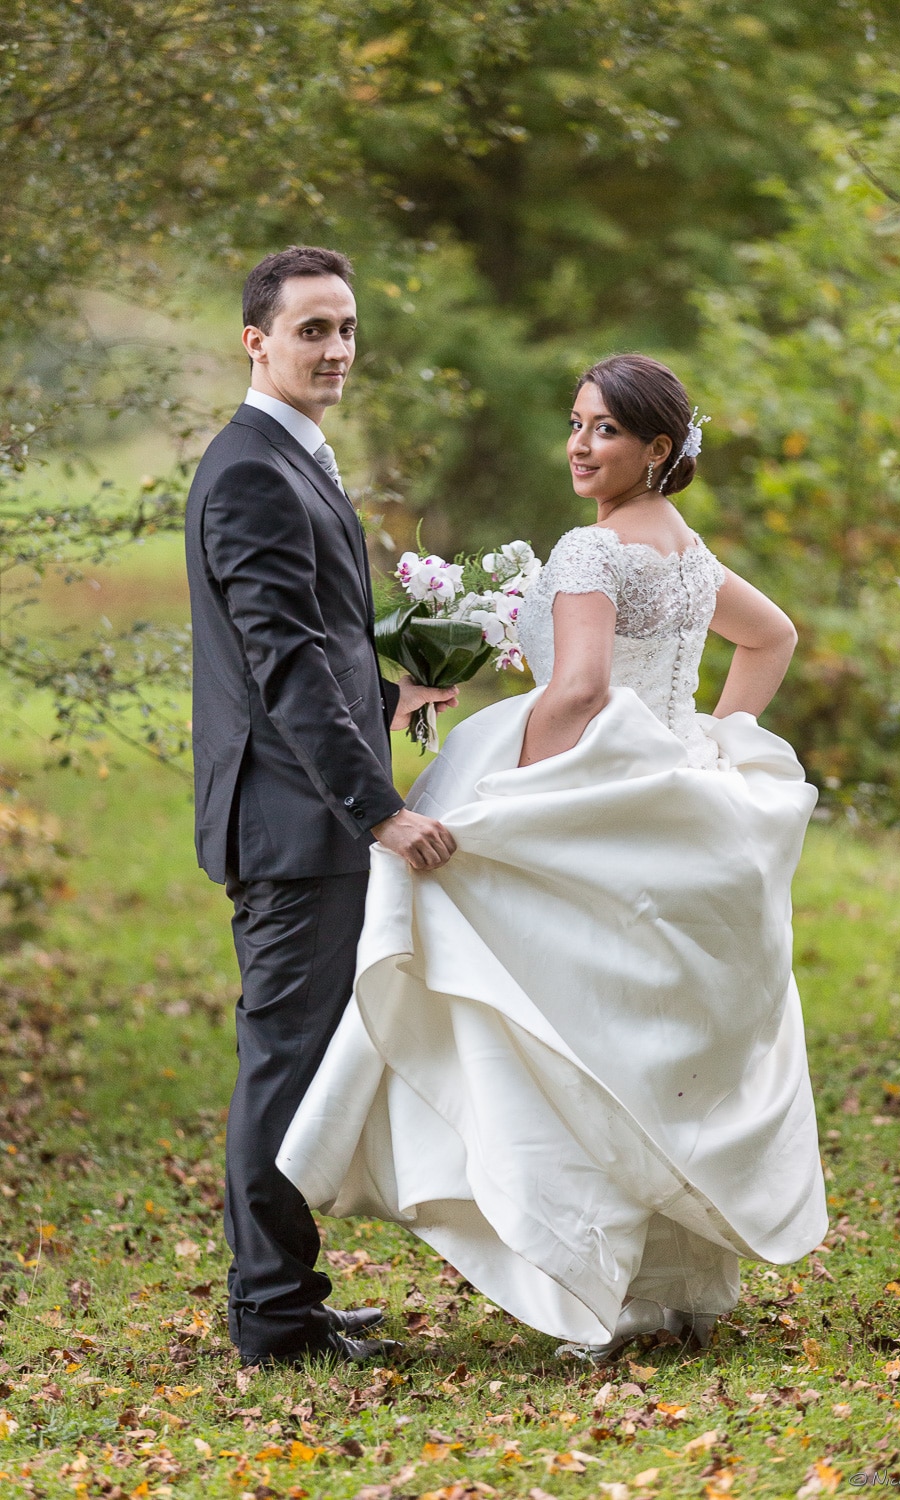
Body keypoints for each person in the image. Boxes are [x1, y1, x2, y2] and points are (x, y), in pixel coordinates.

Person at [278, 352, 827, 1360]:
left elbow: (575, 692)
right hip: (672, 799)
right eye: (576, 423)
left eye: (605, 429)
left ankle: (585, 1277)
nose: (580, 444)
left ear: (659, 448)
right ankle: (666, 1292)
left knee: (562, 1041)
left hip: (589, 789)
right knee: (633, 1039)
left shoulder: (591, 550)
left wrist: (507, 800)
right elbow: (773, 638)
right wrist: (708, 738)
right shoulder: (690, 552)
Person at [184, 245, 458, 1369]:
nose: (335, 350)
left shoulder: (289, 457)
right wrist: (378, 811)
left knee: (293, 1057)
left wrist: (396, 693)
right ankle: (273, 1319)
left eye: (345, 329)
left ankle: (286, 1298)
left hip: (301, 809)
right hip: (294, 826)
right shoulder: (251, 468)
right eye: (311, 331)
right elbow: (284, 667)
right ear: (256, 340)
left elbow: (311, 647)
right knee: (284, 1063)